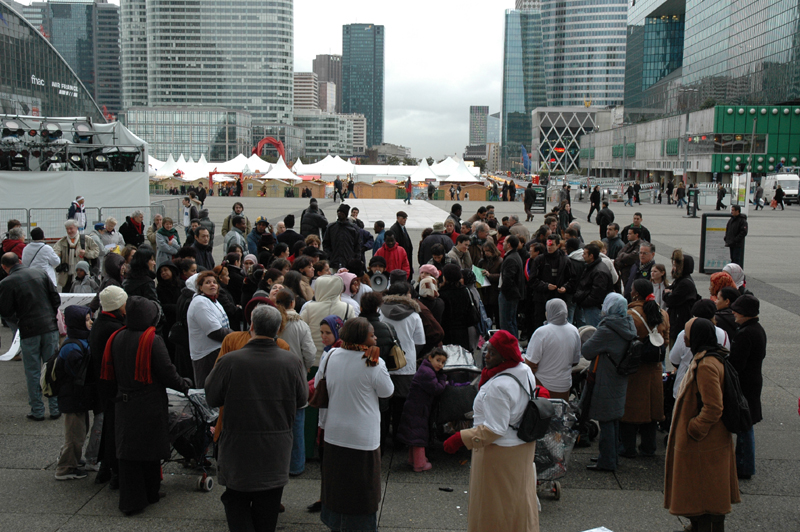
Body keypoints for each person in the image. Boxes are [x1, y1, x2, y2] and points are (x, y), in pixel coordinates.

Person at [205, 304, 306, 532]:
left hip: (237, 443)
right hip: (276, 445)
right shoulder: (291, 362)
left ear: (251, 326)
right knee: (268, 504)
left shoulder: (230, 361)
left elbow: (211, 397)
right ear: (277, 330)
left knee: (236, 499)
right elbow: (301, 400)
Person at [101, 296, 190, 515]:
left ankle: (135, 497)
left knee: (129, 453)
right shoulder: (152, 340)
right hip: (148, 402)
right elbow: (167, 372)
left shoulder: (117, 336)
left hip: (123, 401)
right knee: (149, 450)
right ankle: (147, 494)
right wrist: (185, 385)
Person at [442, 330, 539, 532]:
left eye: (492, 353)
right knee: (518, 502)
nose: (486, 356)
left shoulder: (499, 386)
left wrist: (461, 438)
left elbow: (495, 429)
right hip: (522, 448)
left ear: (505, 357)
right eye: (487, 350)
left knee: (493, 508)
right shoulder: (524, 370)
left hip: (499, 454)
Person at [317, 317, 394, 532]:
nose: (375, 337)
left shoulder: (331, 355)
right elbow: (387, 391)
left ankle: (336, 524)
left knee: (337, 486)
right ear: (362, 337)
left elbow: (320, 380)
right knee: (362, 489)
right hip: (362, 436)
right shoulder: (373, 361)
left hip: (334, 432)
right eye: (371, 334)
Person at [664, 318, 740, 532]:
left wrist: (694, 428)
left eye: (687, 334)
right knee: (707, 497)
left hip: (704, 443)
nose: (685, 337)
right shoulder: (710, 358)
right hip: (709, 443)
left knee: (704, 498)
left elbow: (714, 406)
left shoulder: (706, 365)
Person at [0, 253, 61, 420]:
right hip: (49, 326)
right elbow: (55, 298)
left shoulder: (6, 283)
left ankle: (37, 410)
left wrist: (18, 319)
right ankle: (55, 408)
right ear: (19, 261)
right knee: (51, 368)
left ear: (4, 267)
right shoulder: (40, 273)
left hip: (28, 330)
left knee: (33, 371)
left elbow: (5, 312)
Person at [580, 293, 638, 472]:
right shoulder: (628, 325)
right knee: (613, 419)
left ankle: (606, 461)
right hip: (619, 377)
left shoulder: (607, 330)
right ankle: (610, 456)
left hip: (606, 378)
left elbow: (587, 351)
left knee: (606, 421)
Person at [619, 279, 669, 458]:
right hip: (654, 370)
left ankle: (628, 447)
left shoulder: (630, 315)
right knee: (651, 411)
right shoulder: (661, 313)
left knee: (631, 411)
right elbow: (666, 340)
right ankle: (649, 448)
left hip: (635, 370)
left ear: (635, 293)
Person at [89, 286, 128, 487]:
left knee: (109, 424)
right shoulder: (113, 328)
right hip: (111, 385)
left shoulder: (101, 323)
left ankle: (105, 469)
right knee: (114, 427)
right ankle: (114, 472)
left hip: (103, 383)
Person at [52, 305, 94, 481]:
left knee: (78, 431)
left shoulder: (77, 340)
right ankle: (66, 467)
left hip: (75, 397)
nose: (91, 322)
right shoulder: (72, 347)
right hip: (73, 396)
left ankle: (72, 460)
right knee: (75, 434)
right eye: (86, 319)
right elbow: (78, 374)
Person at [380, 282, 426, 438]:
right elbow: (420, 341)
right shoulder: (414, 315)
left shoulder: (380, 311)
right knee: (401, 403)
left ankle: (383, 434)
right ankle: (399, 437)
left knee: (383, 401)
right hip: (406, 363)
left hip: (384, 362)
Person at [728, 294, 766, 480]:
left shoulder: (745, 334)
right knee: (747, 422)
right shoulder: (756, 329)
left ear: (746, 313)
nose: (734, 313)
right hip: (753, 380)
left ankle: (743, 465)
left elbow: (737, 363)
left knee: (744, 423)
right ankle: (744, 465)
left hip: (745, 383)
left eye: (737, 310)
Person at [396, 348, 447, 471]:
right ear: (430, 358)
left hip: (414, 407)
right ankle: (420, 464)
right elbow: (436, 388)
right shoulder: (427, 373)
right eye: (438, 360)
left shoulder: (425, 369)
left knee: (413, 436)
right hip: (419, 409)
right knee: (419, 437)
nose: (440, 364)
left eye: (443, 362)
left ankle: (413, 459)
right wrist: (443, 379)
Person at [668, 299, 730, 399]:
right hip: (713, 384)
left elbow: (674, 359)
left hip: (686, 384)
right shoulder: (723, 334)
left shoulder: (685, 333)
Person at [523, 299, 580, 400]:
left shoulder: (541, 332)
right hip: (564, 386)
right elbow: (575, 362)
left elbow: (530, 364)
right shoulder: (574, 331)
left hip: (542, 386)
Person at [187, 271, 233, 388]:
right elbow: (214, 332)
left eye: (214, 282)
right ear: (200, 287)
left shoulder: (212, 300)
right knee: (209, 390)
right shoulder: (200, 303)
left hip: (217, 350)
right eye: (207, 283)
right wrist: (236, 336)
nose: (212, 285)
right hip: (207, 354)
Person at [529, 234, 571, 331]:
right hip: (541, 298)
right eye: (548, 244)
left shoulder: (565, 260)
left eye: (552, 245)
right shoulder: (539, 260)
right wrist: (545, 286)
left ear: (558, 246)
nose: (549, 247)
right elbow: (532, 280)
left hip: (558, 297)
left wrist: (565, 287)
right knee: (539, 322)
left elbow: (571, 279)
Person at [53, 219, 101, 292]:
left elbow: (96, 251)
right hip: (67, 276)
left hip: (83, 276)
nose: (69, 231)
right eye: (67, 229)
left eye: (71, 228)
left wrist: (86, 253)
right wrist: (57, 256)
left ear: (77, 228)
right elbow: (54, 252)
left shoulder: (86, 239)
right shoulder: (62, 241)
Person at [573, 243, 614, 327]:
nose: (582, 255)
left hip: (593, 308)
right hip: (590, 307)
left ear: (591, 256)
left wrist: (584, 302)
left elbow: (597, 294)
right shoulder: (591, 267)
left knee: (593, 331)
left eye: (585, 253)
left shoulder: (599, 271)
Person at [664, 249, 698, 346]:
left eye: (675, 266)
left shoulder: (685, 283)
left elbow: (670, 300)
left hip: (679, 323)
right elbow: (668, 290)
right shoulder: (680, 280)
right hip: (676, 321)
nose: (673, 268)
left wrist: (667, 294)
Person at [498, 235, 524, 338]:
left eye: (504, 242)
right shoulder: (514, 256)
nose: (503, 243)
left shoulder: (511, 259)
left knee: (506, 322)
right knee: (511, 321)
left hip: (508, 295)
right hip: (512, 294)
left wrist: (503, 291)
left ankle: (509, 344)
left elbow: (508, 279)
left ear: (509, 245)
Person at [323, 204, 361, 271]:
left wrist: (355, 259)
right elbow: (326, 244)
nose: (340, 214)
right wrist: (329, 256)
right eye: (339, 212)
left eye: (342, 212)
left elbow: (357, 246)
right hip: (335, 262)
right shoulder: (331, 227)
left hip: (349, 264)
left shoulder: (353, 229)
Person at [388, 211, 414, 278]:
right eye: (403, 218)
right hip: (400, 258)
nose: (405, 220)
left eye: (406, 218)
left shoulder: (402, 227)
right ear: (398, 218)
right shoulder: (394, 229)